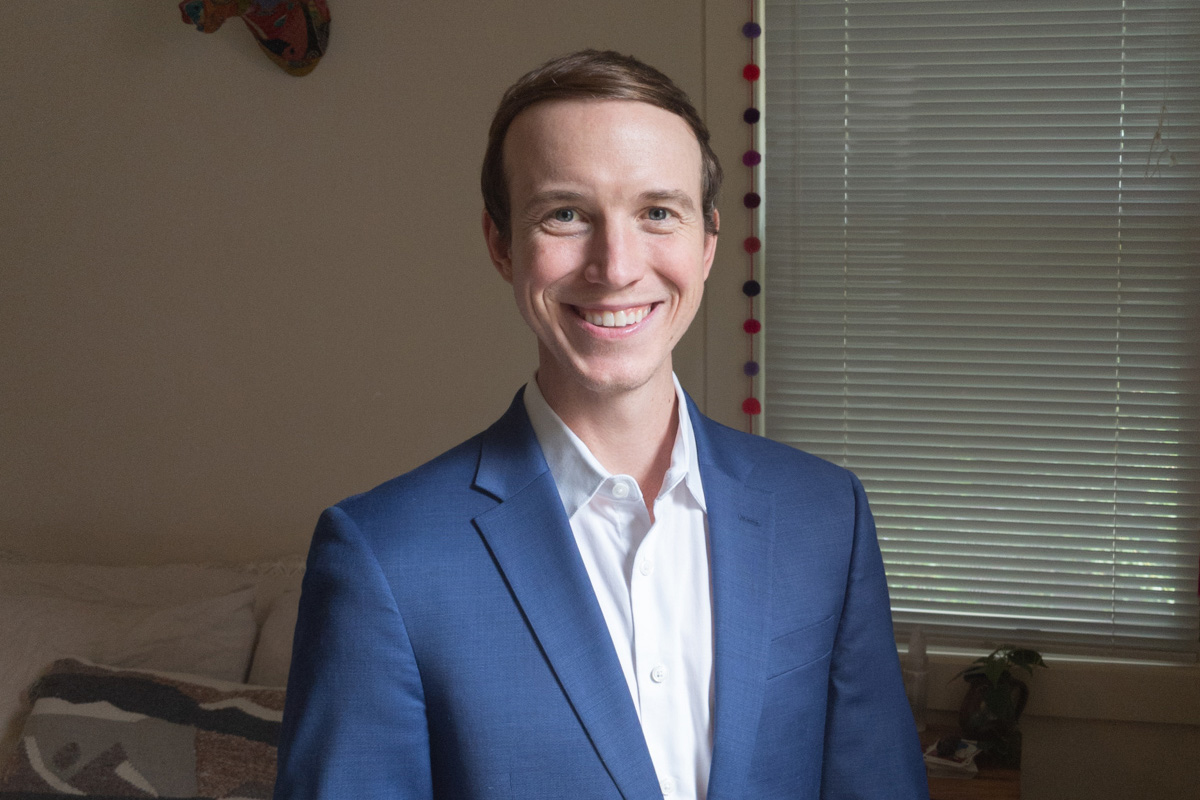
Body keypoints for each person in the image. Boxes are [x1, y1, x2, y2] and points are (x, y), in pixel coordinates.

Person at [274, 49, 927, 800]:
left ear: (708, 241)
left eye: (657, 212)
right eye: (565, 214)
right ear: (500, 244)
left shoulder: (825, 516)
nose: (616, 266)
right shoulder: (383, 557)